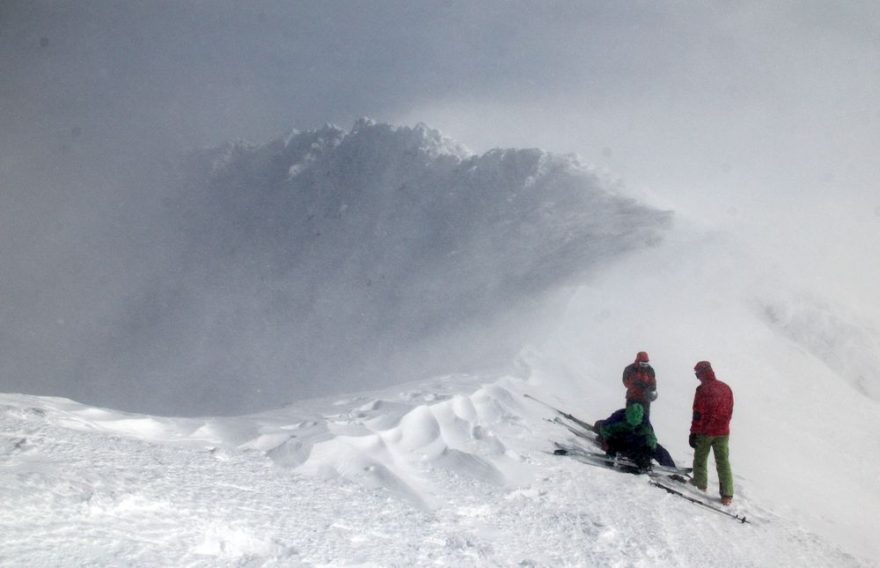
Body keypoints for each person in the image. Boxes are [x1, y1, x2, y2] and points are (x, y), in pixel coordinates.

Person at [689, 360, 735, 505]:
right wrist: (724, 425)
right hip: (723, 431)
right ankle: (727, 494)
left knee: (700, 458)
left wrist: (693, 432)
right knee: (723, 462)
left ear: (701, 374)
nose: (697, 377)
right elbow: (730, 410)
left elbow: (697, 414)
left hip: (706, 432)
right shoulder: (726, 388)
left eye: (697, 374)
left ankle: (700, 484)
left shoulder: (702, 390)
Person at [594, 402, 676, 471]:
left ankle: (671, 469)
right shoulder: (618, 417)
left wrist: (647, 451)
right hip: (619, 437)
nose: (632, 425)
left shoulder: (644, 422)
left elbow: (651, 438)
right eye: (630, 423)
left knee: (658, 450)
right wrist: (609, 443)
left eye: (635, 424)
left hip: (635, 439)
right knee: (600, 427)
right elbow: (605, 429)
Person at [622, 351, 658, 419]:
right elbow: (625, 382)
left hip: (645, 399)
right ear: (638, 361)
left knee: (645, 419)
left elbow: (653, 382)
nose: (644, 366)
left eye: (646, 364)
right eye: (642, 364)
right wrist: (636, 385)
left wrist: (652, 388)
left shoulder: (650, 370)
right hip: (632, 398)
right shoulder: (630, 369)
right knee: (631, 418)